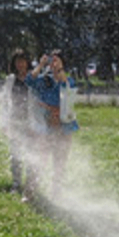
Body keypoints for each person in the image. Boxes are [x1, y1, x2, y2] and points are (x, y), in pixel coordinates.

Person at [26, 50, 79, 198]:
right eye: (51, 61)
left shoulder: (68, 80)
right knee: (39, 161)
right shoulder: (43, 80)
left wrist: (60, 70)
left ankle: (56, 193)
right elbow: (29, 81)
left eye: (56, 61)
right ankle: (30, 191)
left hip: (64, 129)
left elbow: (67, 89)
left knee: (59, 164)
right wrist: (41, 65)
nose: (53, 64)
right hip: (45, 127)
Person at [0, 49, 33, 197]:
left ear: (27, 62)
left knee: (32, 154)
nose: (20, 64)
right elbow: (5, 103)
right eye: (17, 61)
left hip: (31, 123)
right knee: (15, 154)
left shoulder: (33, 78)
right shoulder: (10, 80)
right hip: (15, 121)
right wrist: (4, 122)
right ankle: (16, 183)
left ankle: (30, 184)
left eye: (23, 61)